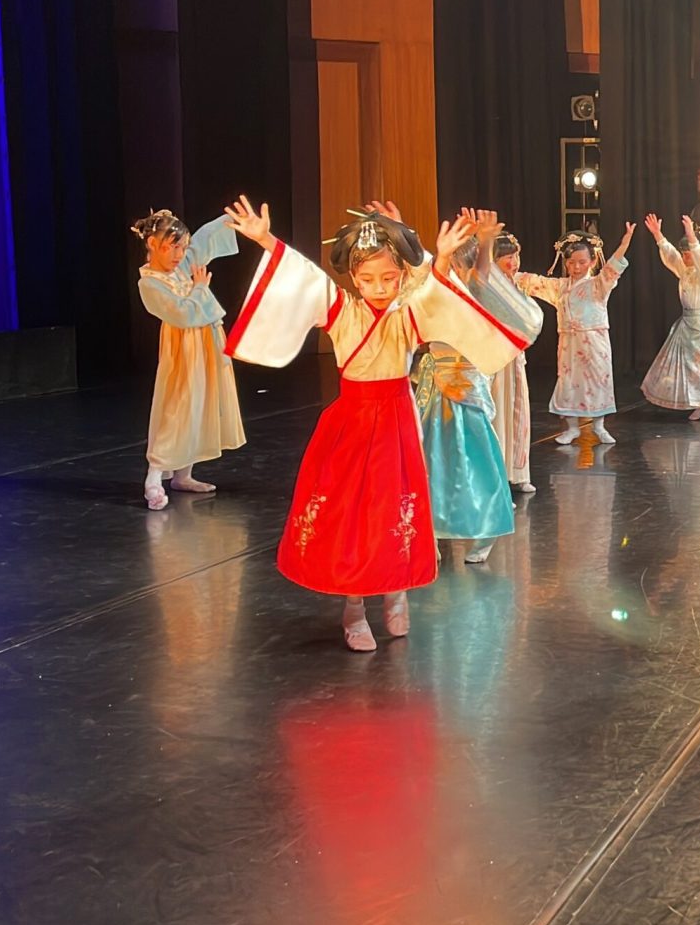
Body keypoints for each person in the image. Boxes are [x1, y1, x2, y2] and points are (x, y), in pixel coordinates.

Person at [221, 197, 520, 651]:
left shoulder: (406, 315)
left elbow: (433, 296)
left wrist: (440, 258)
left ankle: (395, 590)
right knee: (352, 515)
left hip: (397, 423)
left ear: (400, 276)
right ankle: (354, 606)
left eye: (388, 278)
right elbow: (303, 275)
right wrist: (266, 240)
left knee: (392, 510)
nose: (378, 287)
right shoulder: (342, 309)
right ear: (353, 278)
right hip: (353, 422)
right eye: (367, 279)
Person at [407, 209, 544, 566]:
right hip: (433, 387)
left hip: (466, 385)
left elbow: (481, 276)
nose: (455, 269)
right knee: (431, 461)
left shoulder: (477, 293)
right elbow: (421, 263)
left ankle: (485, 530)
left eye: (460, 263)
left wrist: (484, 243)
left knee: (475, 459)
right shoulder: (435, 286)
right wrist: (398, 229)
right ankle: (433, 529)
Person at [132, 209, 248, 511]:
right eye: (172, 247)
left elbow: (203, 240)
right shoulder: (150, 283)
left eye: (182, 247)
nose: (179, 254)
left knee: (199, 404)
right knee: (178, 407)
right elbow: (181, 313)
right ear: (153, 244)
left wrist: (230, 222)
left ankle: (183, 474)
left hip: (206, 343)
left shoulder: (183, 264)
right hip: (183, 351)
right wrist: (200, 289)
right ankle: (154, 476)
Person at [517, 224, 638, 445]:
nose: (576, 267)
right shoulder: (560, 287)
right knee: (568, 382)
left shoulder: (598, 285)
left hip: (594, 342)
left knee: (598, 380)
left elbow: (613, 266)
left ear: (592, 262)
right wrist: (504, 272)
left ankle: (599, 426)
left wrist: (625, 242)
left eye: (582, 262)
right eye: (572, 262)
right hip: (569, 343)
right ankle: (572, 428)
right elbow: (534, 281)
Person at [639, 214, 700, 421]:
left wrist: (692, 237)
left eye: (688, 253)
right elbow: (671, 257)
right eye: (684, 253)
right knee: (692, 367)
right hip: (687, 323)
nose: (685, 257)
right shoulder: (686, 270)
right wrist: (658, 236)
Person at [487, 233, 537, 493]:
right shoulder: (486, 286)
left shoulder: (518, 284)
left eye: (516, 255)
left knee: (518, 413)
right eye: (507, 257)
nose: (514, 262)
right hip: (495, 357)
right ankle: (497, 475)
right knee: (498, 412)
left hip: (514, 357)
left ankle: (518, 472)